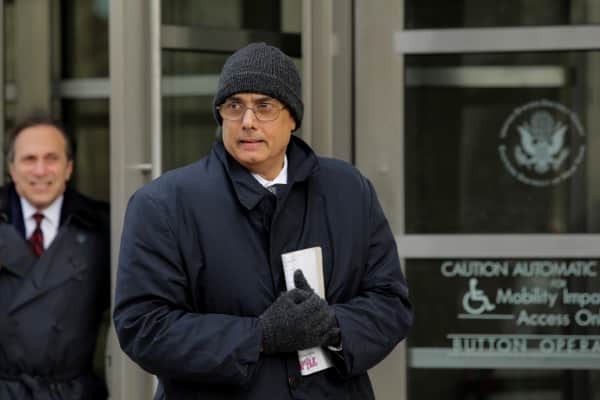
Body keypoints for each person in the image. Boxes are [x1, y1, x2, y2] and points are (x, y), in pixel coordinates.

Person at [114, 42, 413, 399]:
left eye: (264, 106)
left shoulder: (348, 190)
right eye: (234, 106)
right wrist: (258, 336)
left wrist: (333, 327)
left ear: (292, 118)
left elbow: (391, 303)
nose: (248, 121)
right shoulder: (163, 204)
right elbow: (143, 327)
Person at [0, 115, 110, 400]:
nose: (40, 170)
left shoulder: (103, 227)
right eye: (29, 159)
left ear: (68, 167)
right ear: (11, 168)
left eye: (51, 158)